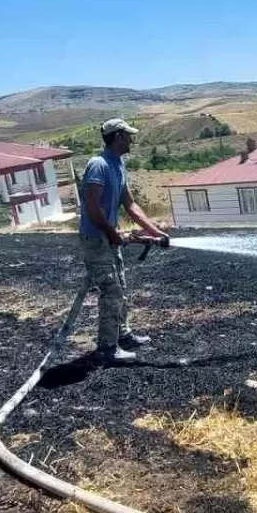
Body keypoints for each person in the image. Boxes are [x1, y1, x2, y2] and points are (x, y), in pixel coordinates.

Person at [79, 118, 169, 363]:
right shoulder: (98, 165)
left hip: (107, 238)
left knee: (120, 286)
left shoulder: (118, 164)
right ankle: (107, 349)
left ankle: (123, 334)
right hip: (96, 240)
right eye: (128, 135)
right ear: (118, 137)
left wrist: (155, 233)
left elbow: (130, 204)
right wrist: (111, 233)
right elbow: (92, 207)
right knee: (111, 292)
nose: (132, 139)